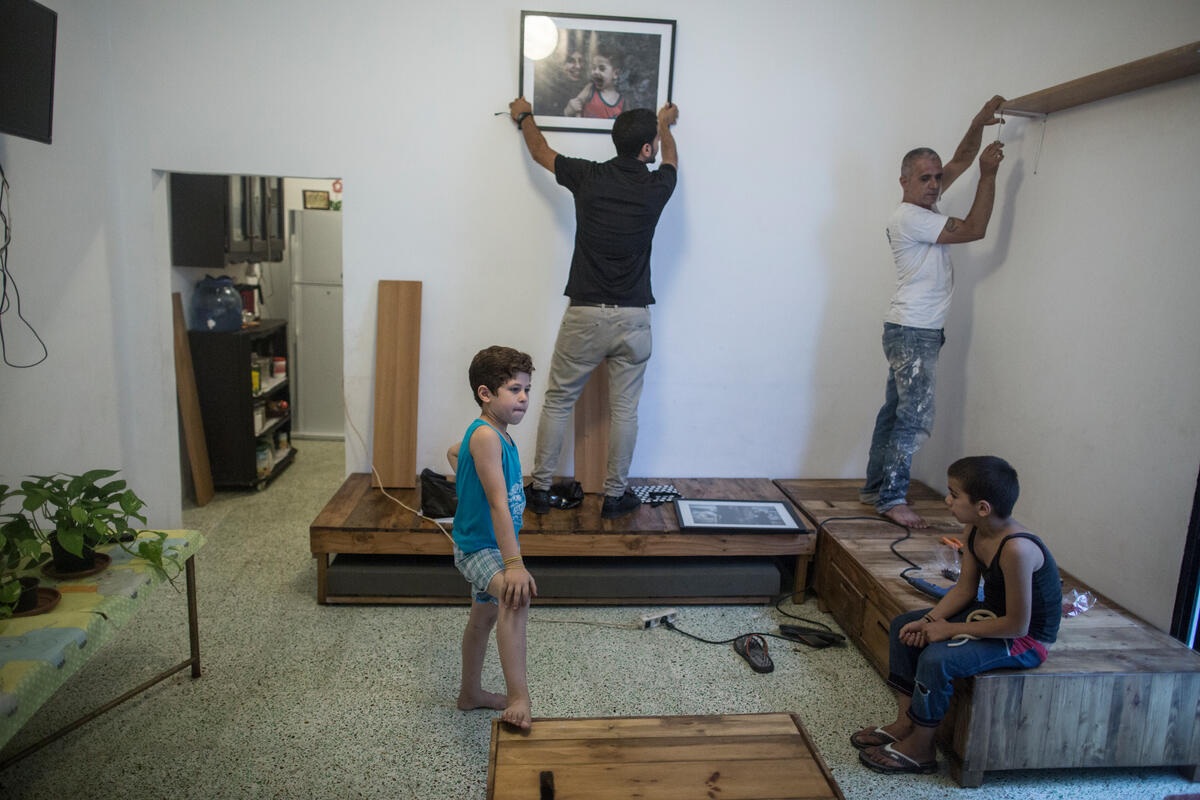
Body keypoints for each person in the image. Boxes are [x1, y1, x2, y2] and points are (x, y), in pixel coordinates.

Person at [507, 93, 678, 519]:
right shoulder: (657, 186)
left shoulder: (588, 176)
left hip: (585, 314)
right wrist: (667, 126)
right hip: (634, 318)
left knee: (558, 400)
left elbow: (539, 151)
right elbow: (671, 162)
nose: (656, 147)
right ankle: (616, 496)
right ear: (645, 149)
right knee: (625, 412)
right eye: (653, 141)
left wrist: (524, 115)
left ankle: (542, 489)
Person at [852, 456, 1062, 775]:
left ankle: (921, 747)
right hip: (990, 616)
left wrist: (949, 630)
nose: (947, 500)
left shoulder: (1017, 550)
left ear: (982, 507)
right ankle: (907, 721)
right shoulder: (975, 531)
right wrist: (930, 620)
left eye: (953, 494)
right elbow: (964, 590)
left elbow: (1018, 626)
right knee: (903, 627)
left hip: (1026, 640)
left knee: (937, 659)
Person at [860, 96, 1007, 529]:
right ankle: (890, 498)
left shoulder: (928, 205)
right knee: (915, 418)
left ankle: (875, 489)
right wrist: (990, 176)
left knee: (895, 414)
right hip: (914, 331)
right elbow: (976, 229)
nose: (934, 184)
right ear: (904, 180)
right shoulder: (911, 217)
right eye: (925, 178)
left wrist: (979, 122)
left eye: (937, 178)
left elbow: (960, 158)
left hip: (909, 329)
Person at [446, 346, 538, 729]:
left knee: (484, 617)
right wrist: (514, 565)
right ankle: (519, 696)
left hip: (489, 544)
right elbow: (499, 504)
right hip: (479, 548)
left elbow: (453, 452)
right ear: (486, 394)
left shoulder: (495, 435)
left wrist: (467, 476)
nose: (523, 398)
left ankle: (471, 693)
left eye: (527, 390)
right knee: (515, 599)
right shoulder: (486, 436)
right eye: (514, 389)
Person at [564, 45, 624, 118]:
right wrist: (568, 111)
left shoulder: (622, 101)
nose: (595, 72)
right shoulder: (590, 89)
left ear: (615, 74)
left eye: (602, 69)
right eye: (594, 67)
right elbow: (575, 107)